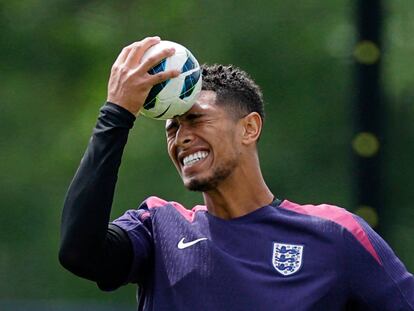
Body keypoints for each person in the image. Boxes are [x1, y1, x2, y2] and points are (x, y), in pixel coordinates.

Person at [59, 36, 414, 310]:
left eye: (196, 119)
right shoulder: (158, 228)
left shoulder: (335, 235)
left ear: (249, 128)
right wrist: (117, 113)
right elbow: (79, 252)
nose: (181, 138)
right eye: (172, 128)